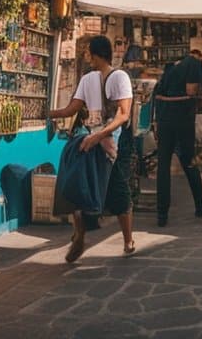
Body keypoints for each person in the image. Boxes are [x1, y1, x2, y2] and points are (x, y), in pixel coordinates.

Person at [47, 36, 135, 260]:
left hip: (115, 141)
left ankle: (128, 240)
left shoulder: (119, 77)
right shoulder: (88, 79)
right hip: (91, 137)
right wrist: (49, 113)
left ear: (96, 55)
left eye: (88, 53)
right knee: (75, 177)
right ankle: (80, 231)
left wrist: (100, 135)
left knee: (118, 188)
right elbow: (72, 109)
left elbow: (123, 114)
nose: (87, 57)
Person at [153, 47, 202, 227]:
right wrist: (200, 96)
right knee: (189, 162)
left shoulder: (171, 67)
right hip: (181, 119)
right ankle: (200, 205)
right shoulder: (193, 65)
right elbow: (190, 90)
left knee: (163, 166)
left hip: (164, 119)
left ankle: (162, 214)